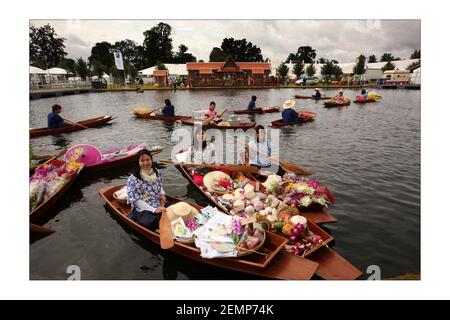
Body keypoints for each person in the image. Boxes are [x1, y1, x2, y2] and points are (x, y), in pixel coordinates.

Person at [127, 149, 166, 230]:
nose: (145, 163)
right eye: (142, 161)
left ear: (151, 160)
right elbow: (136, 201)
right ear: (138, 162)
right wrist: (154, 210)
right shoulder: (133, 179)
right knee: (149, 223)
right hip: (141, 206)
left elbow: (160, 184)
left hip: (156, 200)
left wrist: (162, 194)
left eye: (148, 160)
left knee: (174, 209)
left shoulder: (156, 172)